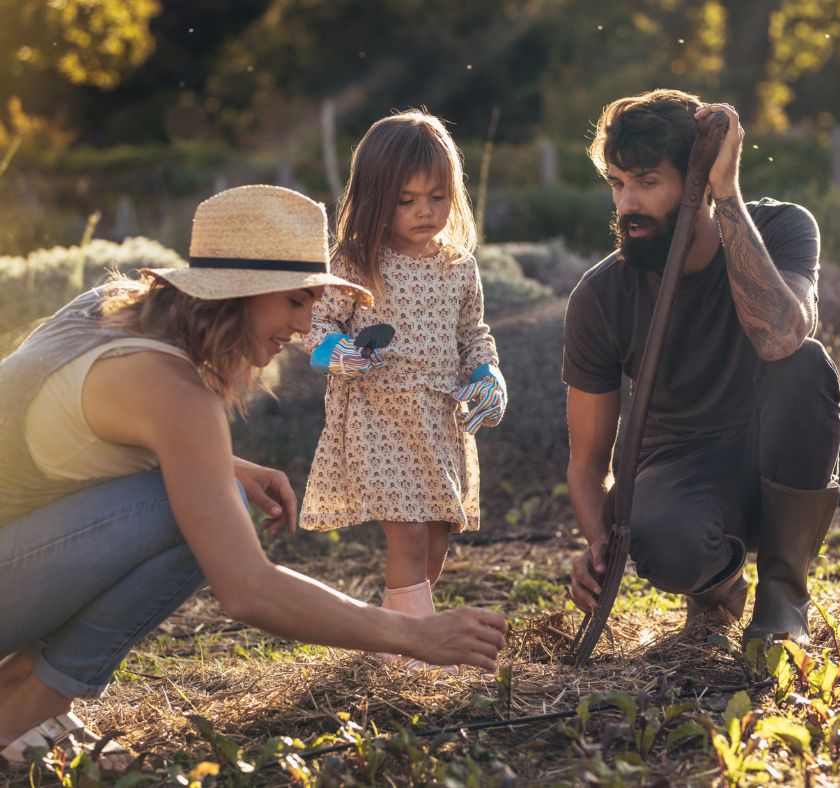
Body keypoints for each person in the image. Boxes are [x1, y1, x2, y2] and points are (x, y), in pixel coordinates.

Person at [0, 185, 507, 768]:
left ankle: (26, 702)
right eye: (295, 301)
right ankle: (20, 712)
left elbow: (64, 432)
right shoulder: (173, 393)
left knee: (208, 494)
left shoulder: (109, 311)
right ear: (240, 294)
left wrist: (226, 465)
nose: (305, 324)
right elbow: (248, 590)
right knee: (199, 517)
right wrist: (414, 635)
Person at [564, 89, 840, 646]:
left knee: (805, 364)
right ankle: (717, 587)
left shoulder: (785, 228)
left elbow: (781, 336)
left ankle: (783, 593)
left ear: (697, 179)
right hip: (680, 464)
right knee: (664, 543)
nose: (626, 205)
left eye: (647, 182)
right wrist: (598, 540)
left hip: (774, 450)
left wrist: (726, 195)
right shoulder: (601, 296)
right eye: (618, 184)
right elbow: (588, 460)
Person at [300, 110, 507, 667]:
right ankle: (414, 655)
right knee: (409, 535)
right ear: (376, 196)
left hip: (440, 416)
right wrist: (336, 354)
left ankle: (391, 644)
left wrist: (487, 373)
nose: (424, 211)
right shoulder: (357, 262)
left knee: (435, 540)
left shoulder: (458, 266)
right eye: (406, 199)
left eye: (437, 197)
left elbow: (473, 335)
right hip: (380, 413)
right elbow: (319, 329)